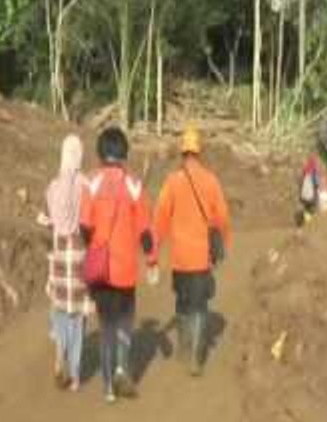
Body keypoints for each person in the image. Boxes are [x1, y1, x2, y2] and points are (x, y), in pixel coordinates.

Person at [80, 127, 156, 404]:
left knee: (106, 328)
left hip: (101, 270)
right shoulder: (134, 185)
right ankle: (124, 368)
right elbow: (146, 230)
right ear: (123, 153)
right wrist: (152, 261)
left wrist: (94, 245)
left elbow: (85, 225)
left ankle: (108, 388)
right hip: (125, 271)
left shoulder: (91, 182)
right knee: (125, 323)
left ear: (101, 152)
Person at [152, 126, 231, 376]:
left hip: (179, 259)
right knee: (199, 305)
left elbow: (159, 220)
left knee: (183, 303)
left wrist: (152, 254)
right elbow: (222, 219)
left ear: (182, 151)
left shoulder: (172, 182)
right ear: (199, 151)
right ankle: (195, 356)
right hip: (201, 257)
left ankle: (185, 348)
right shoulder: (211, 180)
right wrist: (223, 247)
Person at [43, 134, 93, 392]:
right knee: (79, 318)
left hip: (61, 255)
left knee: (60, 310)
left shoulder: (52, 187)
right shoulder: (86, 185)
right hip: (81, 255)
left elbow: (54, 219)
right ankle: (74, 376)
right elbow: (90, 220)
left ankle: (58, 355)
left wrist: (48, 221)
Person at [299, 153, 326, 224]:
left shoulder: (305, 170)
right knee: (312, 209)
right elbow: (316, 184)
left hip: (303, 195)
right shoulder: (314, 172)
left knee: (306, 207)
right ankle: (302, 219)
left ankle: (303, 217)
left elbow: (300, 182)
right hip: (310, 196)